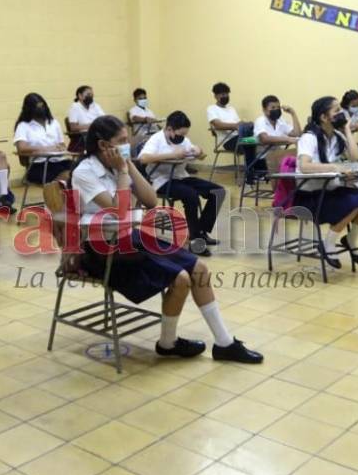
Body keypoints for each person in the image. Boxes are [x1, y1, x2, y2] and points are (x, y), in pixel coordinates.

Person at [71, 115, 262, 363]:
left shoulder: (119, 165)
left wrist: (128, 166)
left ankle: (224, 343)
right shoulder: (85, 172)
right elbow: (118, 211)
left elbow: (151, 200)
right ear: (103, 145)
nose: (126, 145)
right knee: (180, 278)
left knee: (199, 269)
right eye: (121, 141)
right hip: (103, 248)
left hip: (130, 236)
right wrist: (121, 171)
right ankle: (168, 343)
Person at [296, 97, 358, 269]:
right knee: (356, 202)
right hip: (311, 196)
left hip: (331, 190)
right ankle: (328, 244)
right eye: (336, 110)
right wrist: (336, 168)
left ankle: (350, 240)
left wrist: (347, 128)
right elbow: (304, 166)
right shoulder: (309, 137)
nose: (341, 113)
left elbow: (356, 158)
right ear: (324, 117)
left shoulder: (337, 136)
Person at [138, 111, 226, 256]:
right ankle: (195, 241)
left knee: (218, 191)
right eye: (179, 135)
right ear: (169, 129)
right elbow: (143, 159)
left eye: (184, 135)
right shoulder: (157, 139)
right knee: (190, 195)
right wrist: (172, 155)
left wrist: (199, 151)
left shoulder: (183, 140)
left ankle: (201, 231)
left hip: (181, 176)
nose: (182, 138)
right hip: (162, 180)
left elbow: (201, 156)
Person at [13, 93, 72, 184]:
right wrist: (46, 149)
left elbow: (61, 144)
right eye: (37, 107)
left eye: (42, 105)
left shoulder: (54, 123)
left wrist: (61, 148)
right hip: (39, 165)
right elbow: (22, 148)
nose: (41, 109)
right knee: (68, 177)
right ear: (29, 109)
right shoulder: (23, 126)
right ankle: (60, 194)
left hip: (59, 161)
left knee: (81, 171)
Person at [207, 82, 256, 174]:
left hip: (240, 137)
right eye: (223, 94)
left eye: (227, 94)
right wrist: (237, 126)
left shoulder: (231, 109)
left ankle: (255, 171)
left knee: (259, 140)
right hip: (228, 141)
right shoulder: (212, 109)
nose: (226, 96)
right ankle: (251, 173)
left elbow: (238, 124)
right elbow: (218, 125)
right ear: (215, 96)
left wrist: (246, 124)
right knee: (252, 143)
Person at [253, 95, 301, 177]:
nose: (276, 110)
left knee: (300, 159)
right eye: (273, 108)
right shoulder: (260, 121)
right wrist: (288, 139)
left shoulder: (280, 121)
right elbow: (264, 139)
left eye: (278, 107)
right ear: (264, 110)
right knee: (294, 162)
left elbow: (297, 134)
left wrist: (293, 113)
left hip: (278, 155)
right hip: (263, 159)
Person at [67, 85, 106, 152]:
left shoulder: (95, 105)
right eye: (88, 94)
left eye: (92, 94)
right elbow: (73, 127)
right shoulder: (75, 107)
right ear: (80, 96)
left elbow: (104, 120)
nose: (90, 96)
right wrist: (93, 125)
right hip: (83, 138)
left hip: (98, 134)